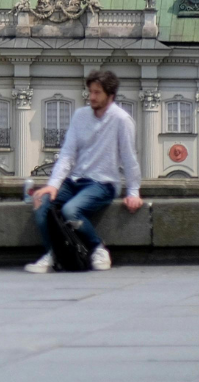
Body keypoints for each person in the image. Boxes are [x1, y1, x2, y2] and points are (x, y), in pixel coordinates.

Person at [25, 69, 143, 273]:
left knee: (71, 211)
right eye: (91, 92)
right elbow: (67, 154)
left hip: (103, 183)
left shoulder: (121, 120)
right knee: (42, 204)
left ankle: (98, 248)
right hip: (75, 180)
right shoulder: (80, 116)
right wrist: (53, 186)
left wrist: (133, 192)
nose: (92, 97)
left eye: (97, 93)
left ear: (110, 96)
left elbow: (129, 158)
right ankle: (53, 254)